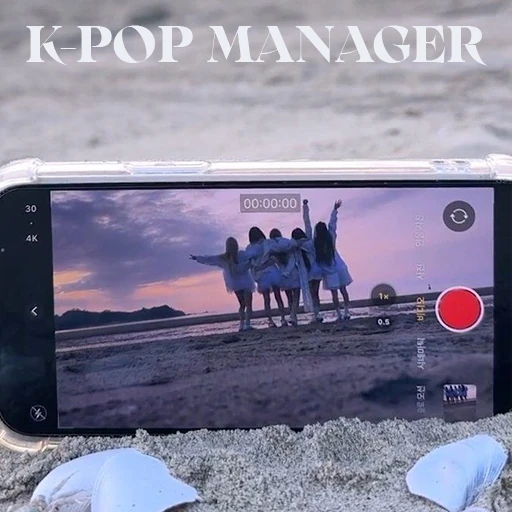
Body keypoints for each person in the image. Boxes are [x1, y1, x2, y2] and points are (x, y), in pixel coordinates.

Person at [190, 237, 255, 332]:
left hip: (237, 283)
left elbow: (210, 259)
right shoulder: (234, 256)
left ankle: (243, 325)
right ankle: (246, 324)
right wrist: (198, 258)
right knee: (247, 304)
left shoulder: (226, 257)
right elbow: (210, 259)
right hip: (244, 282)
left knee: (243, 304)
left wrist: (197, 258)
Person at [306, 199, 353, 321]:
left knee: (334, 294)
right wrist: (334, 210)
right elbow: (333, 224)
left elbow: (310, 227)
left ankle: (339, 314)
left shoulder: (315, 243)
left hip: (329, 271)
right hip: (340, 267)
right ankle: (347, 312)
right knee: (343, 290)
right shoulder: (330, 237)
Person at [245, 227, 289, 328]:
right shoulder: (267, 243)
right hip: (271, 271)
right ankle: (283, 319)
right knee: (278, 296)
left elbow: (250, 262)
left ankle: (270, 320)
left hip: (262, 274)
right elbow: (276, 252)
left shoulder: (250, 247)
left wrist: (258, 267)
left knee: (267, 298)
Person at [301, 200, 326, 323]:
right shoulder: (317, 242)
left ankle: (316, 314)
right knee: (315, 293)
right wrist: (305, 207)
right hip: (318, 270)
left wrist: (305, 207)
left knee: (313, 293)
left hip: (310, 271)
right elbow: (307, 223)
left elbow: (307, 223)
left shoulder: (303, 244)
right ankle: (317, 313)